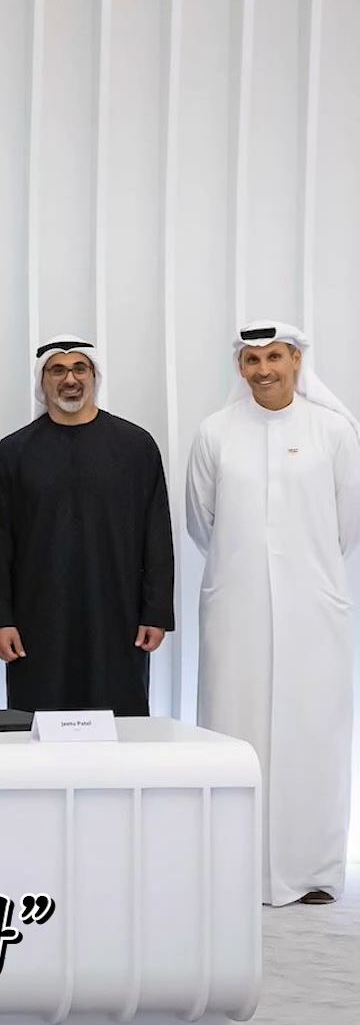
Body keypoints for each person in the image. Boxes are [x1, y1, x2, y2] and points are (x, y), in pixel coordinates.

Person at [187, 321, 360, 906]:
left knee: (313, 732)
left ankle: (313, 870)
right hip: (235, 609)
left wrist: (300, 572)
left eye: (274, 357)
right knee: (235, 729)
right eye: (252, 359)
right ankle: (234, 868)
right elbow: (201, 521)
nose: (263, 370)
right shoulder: (215, 432)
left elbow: (347, 525)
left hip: (315, 609)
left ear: (296, 361)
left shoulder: (333, 431)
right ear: (240, 367)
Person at [0, 337, 174, 715]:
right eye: (58, 370)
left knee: (120, 723)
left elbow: (157, 537)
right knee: (39, 723)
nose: (70, 379)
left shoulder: (136, 446)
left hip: (118, 616)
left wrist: (156, 612)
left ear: (94, 376)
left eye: (79, 368)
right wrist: (0, 620)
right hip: (37, 620)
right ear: (43, 381)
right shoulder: (13, 452)